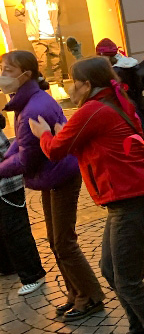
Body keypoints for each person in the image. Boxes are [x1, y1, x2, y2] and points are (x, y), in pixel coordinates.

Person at [30, 56, 144, 333]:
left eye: (72, 82)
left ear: (87, 84)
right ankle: (137, 328)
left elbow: (55, 150)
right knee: (110, 269)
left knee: (127, 280)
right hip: (129, 198)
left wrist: (43, 134)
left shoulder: (93, 109)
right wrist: (60, 135)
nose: (69, 88)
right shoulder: (112, 102)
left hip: (130, 199)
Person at [0, 51, 104, 320]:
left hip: (61, 176)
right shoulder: (26, 102)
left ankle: (90, 296)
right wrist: (7, 157)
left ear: (26, 75)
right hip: (53, 176)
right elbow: (23, 143)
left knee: (64, 242)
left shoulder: (35, 106)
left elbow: (27, 158)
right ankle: (76, 292)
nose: (2, 75)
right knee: (56, 241)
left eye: (8, 70)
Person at [0, 113, 46, 296]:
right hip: (5, 184)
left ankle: (33, 275)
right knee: (5, 231)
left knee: (15, 231)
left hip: (7, 186)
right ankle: (8, 266)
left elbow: (8, 157)